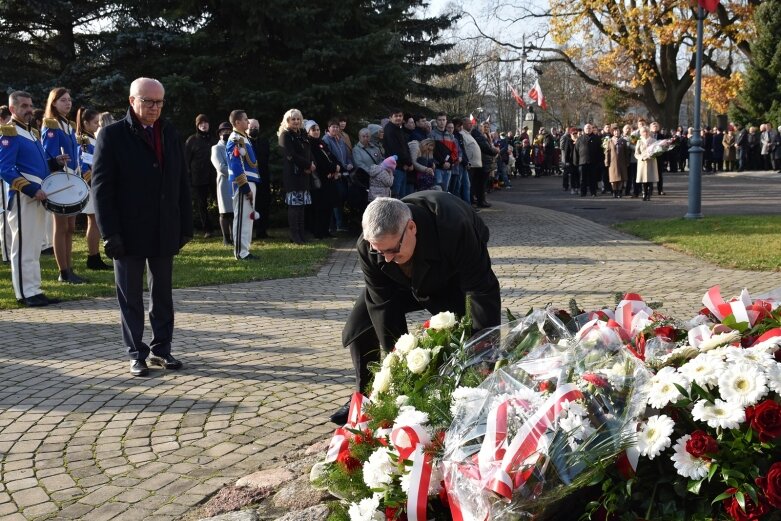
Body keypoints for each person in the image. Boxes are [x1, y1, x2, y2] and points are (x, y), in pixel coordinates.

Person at [330, 191, 501, 424]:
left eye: (392, 250)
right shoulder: (370, 247)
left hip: (451, 276)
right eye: (380, 251)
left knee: (465, 333)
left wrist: (484, 355)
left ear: (411, 228)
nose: (386, 258)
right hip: (400, 284)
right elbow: (382, 303)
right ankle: (365, 396)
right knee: (360, 324)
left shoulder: (454, 227)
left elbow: (481, 291)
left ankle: (465, 390)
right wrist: (400, 367)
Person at [91, 77, 193, 377]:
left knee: (162, 293)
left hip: (164, 228)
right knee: (130, 295)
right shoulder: (112, 135)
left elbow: (180, 183)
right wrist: (110, 233)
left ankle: (162, 348)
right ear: (132, 101)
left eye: (159, 102)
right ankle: (136, 352)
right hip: (127, 231)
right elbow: (101, 189)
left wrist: (185, 225)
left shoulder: (170, 132)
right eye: (148, 101)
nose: (154, 108)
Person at [0, 91, 69, 306]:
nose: (29, 109)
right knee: (23, 247)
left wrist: (55, 162)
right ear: (12, 109)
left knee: (33, 247)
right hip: (24, 198)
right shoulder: (9, 133)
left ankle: (34, 290)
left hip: (39, 196)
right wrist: (30, 189)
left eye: (30, 105)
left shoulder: (32, 133)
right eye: (23, 106)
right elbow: (5, 168)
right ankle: (25, 293)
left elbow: (39, 165)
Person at [42, 87, 85, 284]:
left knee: (69, 227)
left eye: (69, 99)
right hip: (58, 180)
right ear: (53, 103)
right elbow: (47, 155)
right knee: (60, 226)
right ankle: (63, 271)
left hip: (71, 178)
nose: (68, 103)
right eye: (63, 100)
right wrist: (56, 160)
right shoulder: (51, 125)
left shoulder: (67, 124)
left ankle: (70, 268)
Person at [75, 107, 111, 270]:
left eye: (99, 122)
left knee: (96, 221)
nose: (98, 125)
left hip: (97, 184)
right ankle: (93, 257)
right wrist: (94, 185)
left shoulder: (94, 139)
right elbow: (84, 166)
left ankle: (96, 255)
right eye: (95, 122)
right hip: (92, 186)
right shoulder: (84, 141)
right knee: (94, 221)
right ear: (85, 123)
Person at [226, 109, 260, 259]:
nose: (248, 122)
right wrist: (245, 187)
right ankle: (240, 252)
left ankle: (245, 249)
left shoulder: (243, 137)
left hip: (250, 181)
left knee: (248, 218)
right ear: (237, 122)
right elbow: (235, 164)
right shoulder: (235, 139)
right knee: (241, 218)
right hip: (243, 183)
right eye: (245, 119)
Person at [278, 108, 313, 244]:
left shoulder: (303, 134)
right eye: (293, 119)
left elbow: (309, 152)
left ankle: (302, 234)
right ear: (287, 121)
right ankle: (294, 235)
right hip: (293, 175)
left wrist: (311, 164)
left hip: (305, 174)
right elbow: (291, 155)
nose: (296, 121)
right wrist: (307, 165)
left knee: (302, 206)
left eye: (298, 119)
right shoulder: (285, 135)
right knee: (294, 206)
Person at [306, 119, 339, 239]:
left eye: (318, 129)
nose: (316, 132)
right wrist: (332, 169)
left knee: (328, 206)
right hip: (320, 179)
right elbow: (319, 162)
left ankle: (326, 230)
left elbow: (331, 156)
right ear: (308, 131)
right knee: (319, 207)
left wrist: (336, 167)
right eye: (313, 130)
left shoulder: (321, 142)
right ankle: (318, 231)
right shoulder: (310, 144)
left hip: (329, 178)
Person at [185, 114, 216, 238]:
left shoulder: (214, 140)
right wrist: (188, 176)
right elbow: (186, 160)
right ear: (197, 125)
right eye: (201, 123)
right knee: (202, 204)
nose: (203, 125)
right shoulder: (191, 140)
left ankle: (225, 226)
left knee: (220, 202)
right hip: (198, 178)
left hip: (214, 177)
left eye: (205, 123)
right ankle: (207, 229)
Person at [383, 109, 414, 198]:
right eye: (396, 116)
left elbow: (405, 146)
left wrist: (408, 162)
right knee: (396, 198)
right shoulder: (390, 130)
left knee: (402, 197)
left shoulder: (398, 128)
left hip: (402, 167)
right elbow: (396, 150)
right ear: (390, 118)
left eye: (400, 116)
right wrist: (408, 163)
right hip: (396, 168)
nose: (398, 118)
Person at [248, 118, 271, 240]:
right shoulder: (245, 142)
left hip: (263, 177)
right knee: (251, 205)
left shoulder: (264, 141)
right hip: (250, 178)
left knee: (264, 205)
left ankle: (262, 231)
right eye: (251, 127)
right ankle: (250, 232)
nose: (254, 129)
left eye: (256, 127)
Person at [211, 121, 234, 245]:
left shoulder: (235, 146)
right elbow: (220, 167)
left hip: (236, 183)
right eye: (224, 131)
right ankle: (226, 238)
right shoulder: (216, 148)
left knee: (234, 211)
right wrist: (236, 174)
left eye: (229, 131)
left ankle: (235, 236)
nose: (226, 133)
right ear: (219, 134)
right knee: (225, 212)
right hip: (224, 182)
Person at [574, 123, 601, 197]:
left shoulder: (597, 138)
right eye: (587, 128)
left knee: (593, 179)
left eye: (589, 128)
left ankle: (593, 192)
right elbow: (576, 150)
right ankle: (583, 192)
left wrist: (599, 161)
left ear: (592, 129)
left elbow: (600, 151)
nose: (588, 129)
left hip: (593, 162)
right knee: (582, 179)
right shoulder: (580, 138)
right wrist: (576, 162)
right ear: (584, 129)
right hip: (582, 162)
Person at [635, 127, 659, 201]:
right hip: (642, 162)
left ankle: (649, 194)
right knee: (643, 179)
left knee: (650, 179)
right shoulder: (639, 141)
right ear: (641, 133)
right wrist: (641, 157)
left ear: (649, 132)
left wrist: (653, 155)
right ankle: (644, 194)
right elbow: (636, 153)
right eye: (643, 132)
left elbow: (657, 151)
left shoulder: (654, 140)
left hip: (651, 161)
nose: (645, 133)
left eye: (646, 132)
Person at [604, 125, 629, 197]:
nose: (616, 132)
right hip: (612, 162)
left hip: (622, 162)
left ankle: (620, 192)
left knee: (621, 178)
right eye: (614, 131)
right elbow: (607, 152)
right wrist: (606, 162)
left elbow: (626, 152)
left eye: (617, 131)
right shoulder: (609, 141)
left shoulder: (623, 141)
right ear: (612, 132)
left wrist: (627, 162)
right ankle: (614, 192)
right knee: (613, 178)